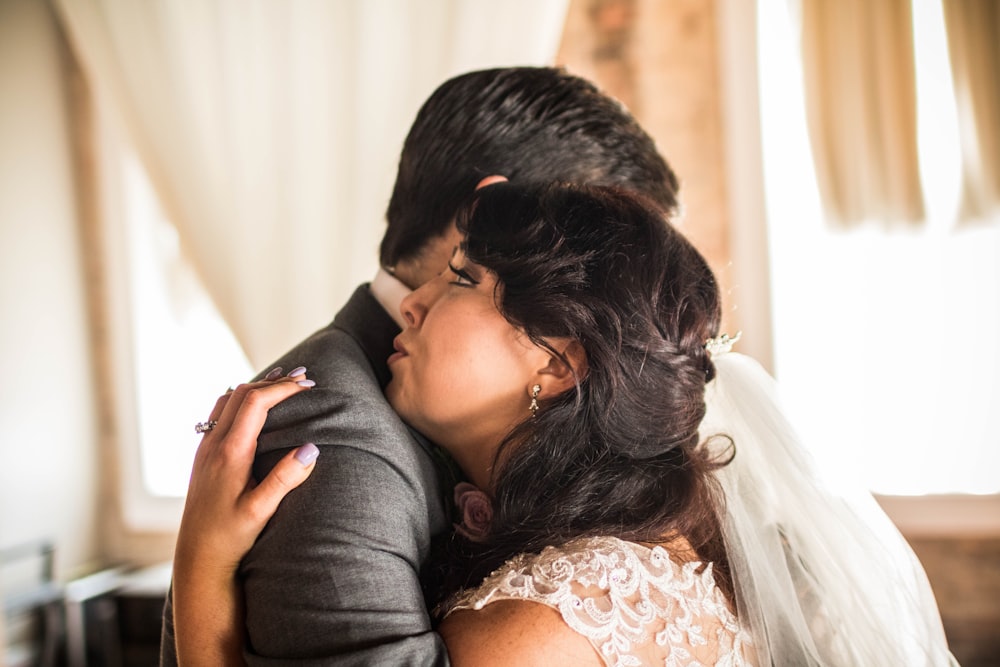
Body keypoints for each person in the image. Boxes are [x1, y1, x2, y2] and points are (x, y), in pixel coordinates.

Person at [172, 182, 956, 665]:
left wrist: (201, 567)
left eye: (461, 280)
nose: (411, 303)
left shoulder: (553, 619)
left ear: (557, 363)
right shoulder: (641, 557)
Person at [160, 67, 681, 665]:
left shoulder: (506, 412)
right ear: (486, 208)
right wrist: (200, 572)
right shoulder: (334, 435)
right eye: (593, 235)